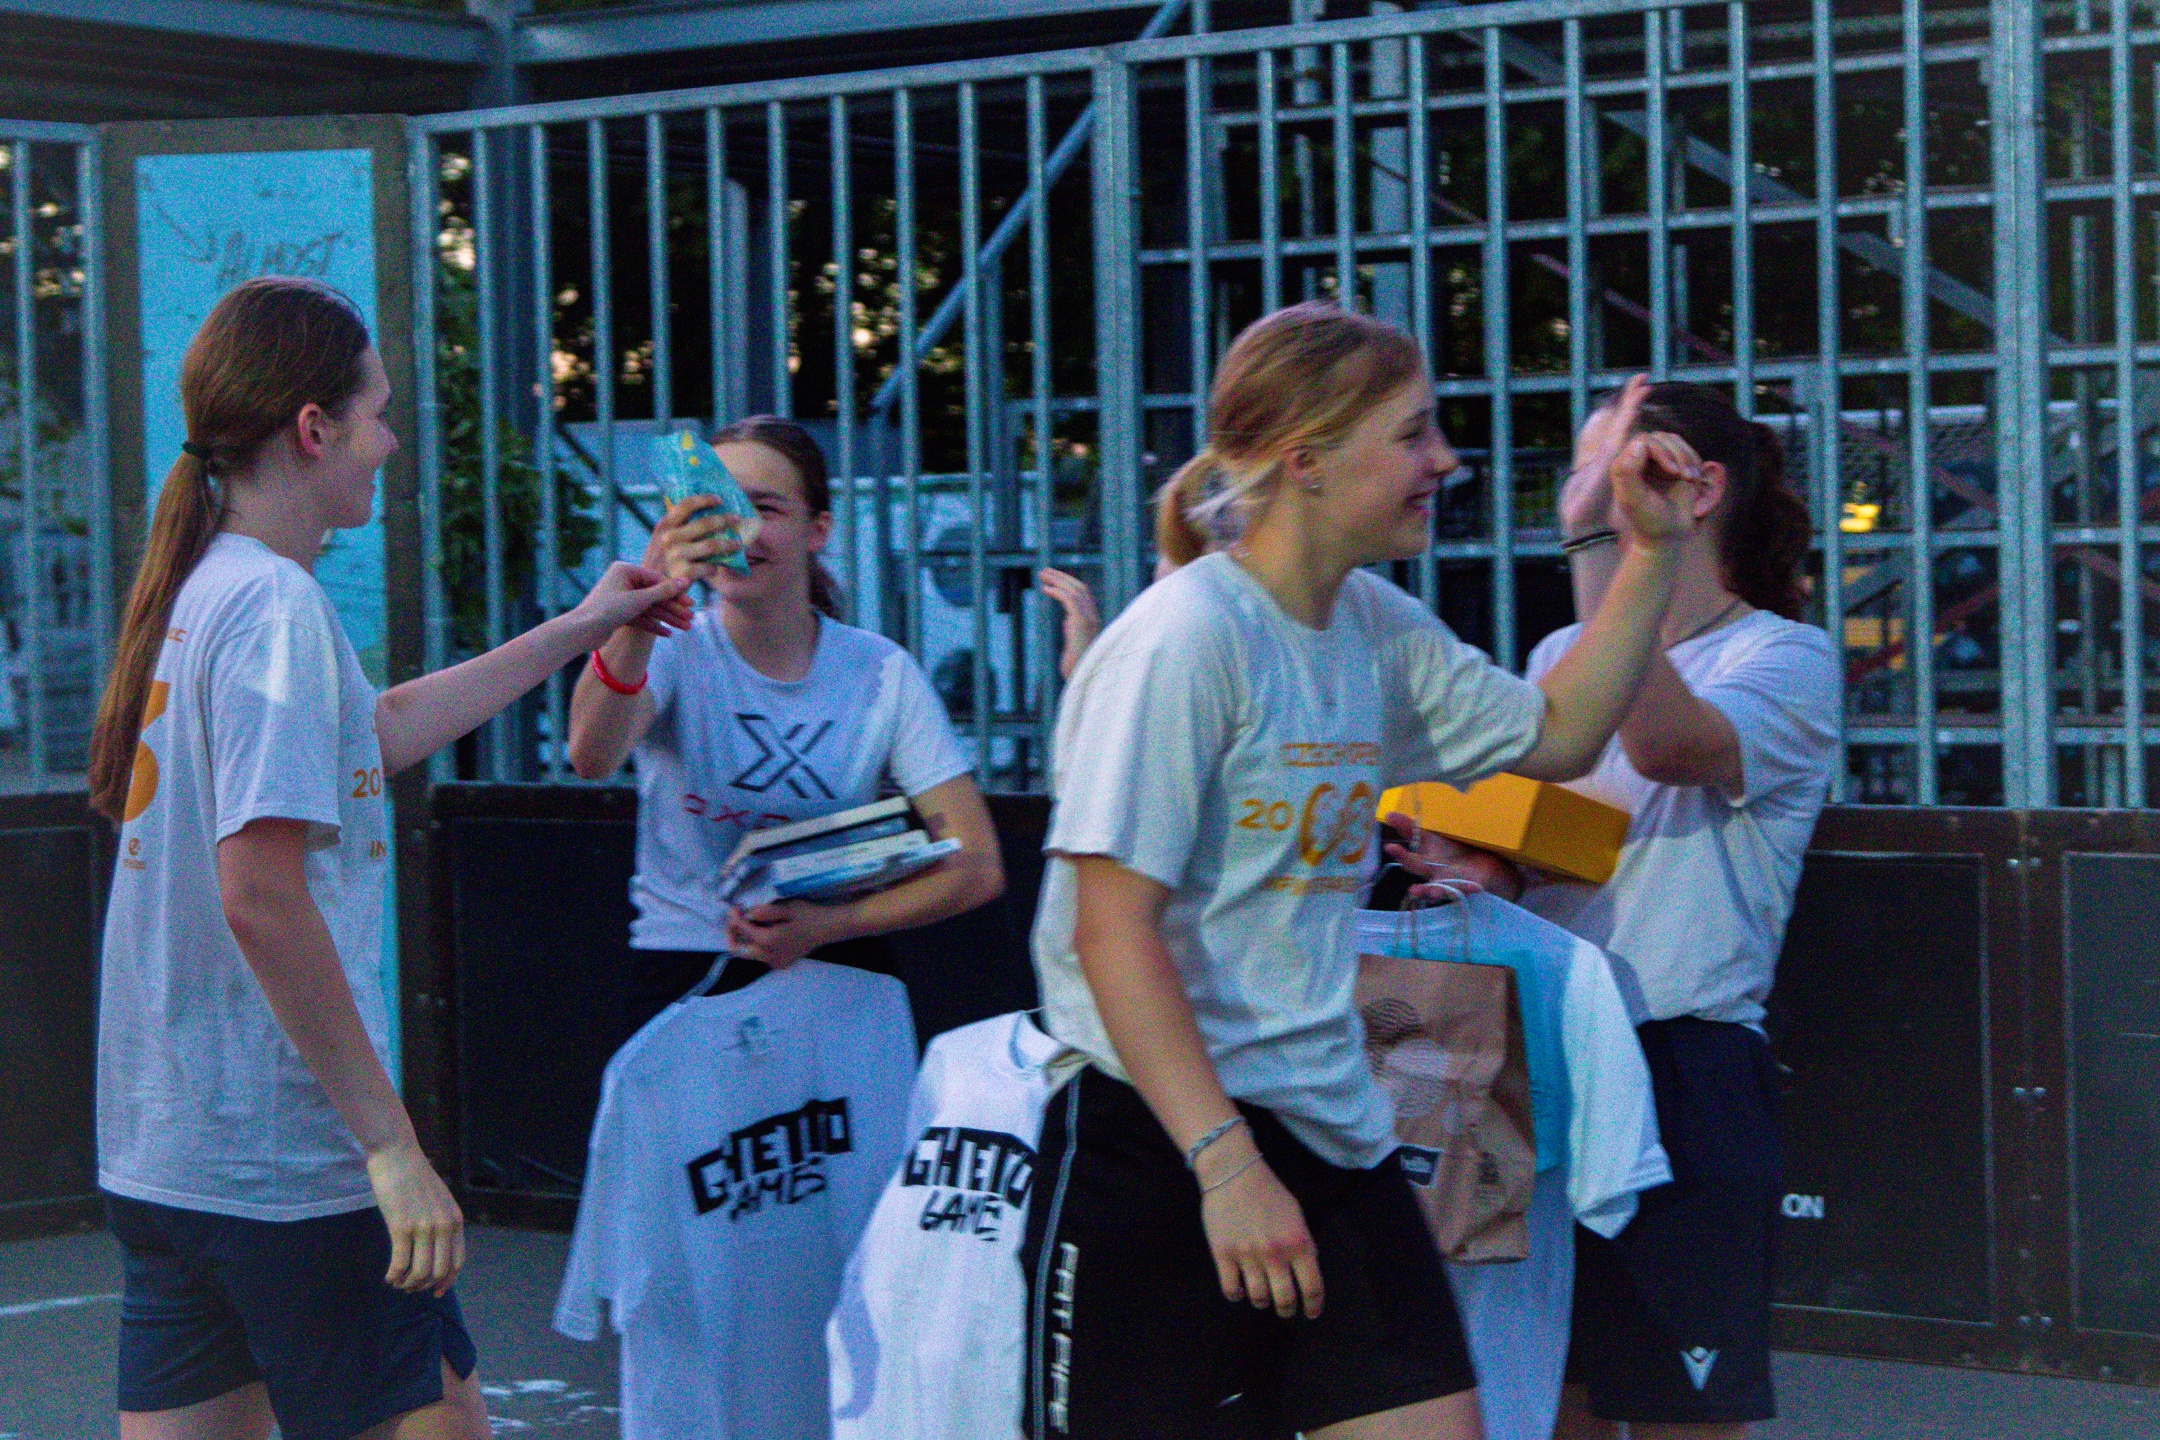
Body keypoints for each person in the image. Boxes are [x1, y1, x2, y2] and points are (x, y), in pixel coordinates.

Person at [1019, 301, 1707, 1440]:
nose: (1447, 460)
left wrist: (1652, 552)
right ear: (1307, 461)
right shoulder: (1183, 640)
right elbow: (1110, 931)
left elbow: (1559, 735)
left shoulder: (1373, 625)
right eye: (1413, 432)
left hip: (1330, 1131)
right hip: (1160, 1141)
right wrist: (1225, 1167)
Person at [87, 276, 693, 1440]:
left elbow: (372, 733)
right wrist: (391, 1146)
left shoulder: (207, 589)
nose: (391, 443)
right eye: (378, 414)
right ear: (313, 429)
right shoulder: (273, 610)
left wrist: (583, 626)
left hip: (171, 1158)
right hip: (289, 1163)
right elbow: (260, 896)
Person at [1511, 379, 1837, 1439]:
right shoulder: (1556, 658)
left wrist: (1605, 552)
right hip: (1550, 1058)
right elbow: (1538, 843)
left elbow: (1663, 744)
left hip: (1683, 1066)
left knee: (1678, 1415)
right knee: (1550, 1405)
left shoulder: (1783, 655)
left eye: (1611, 459)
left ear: (1699, 488)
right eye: (1582, 465)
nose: (1585, 487)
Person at [565, 415, 1004, 1021]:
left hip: (841, 973)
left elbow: (976, 868)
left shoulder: (881, 669)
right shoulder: (667, 647)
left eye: (764, 509)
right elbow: (590, 756)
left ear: (817, 529)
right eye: (711, 509)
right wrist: (645, 605)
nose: (736, 532)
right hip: (687, 966)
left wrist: (829, 925)